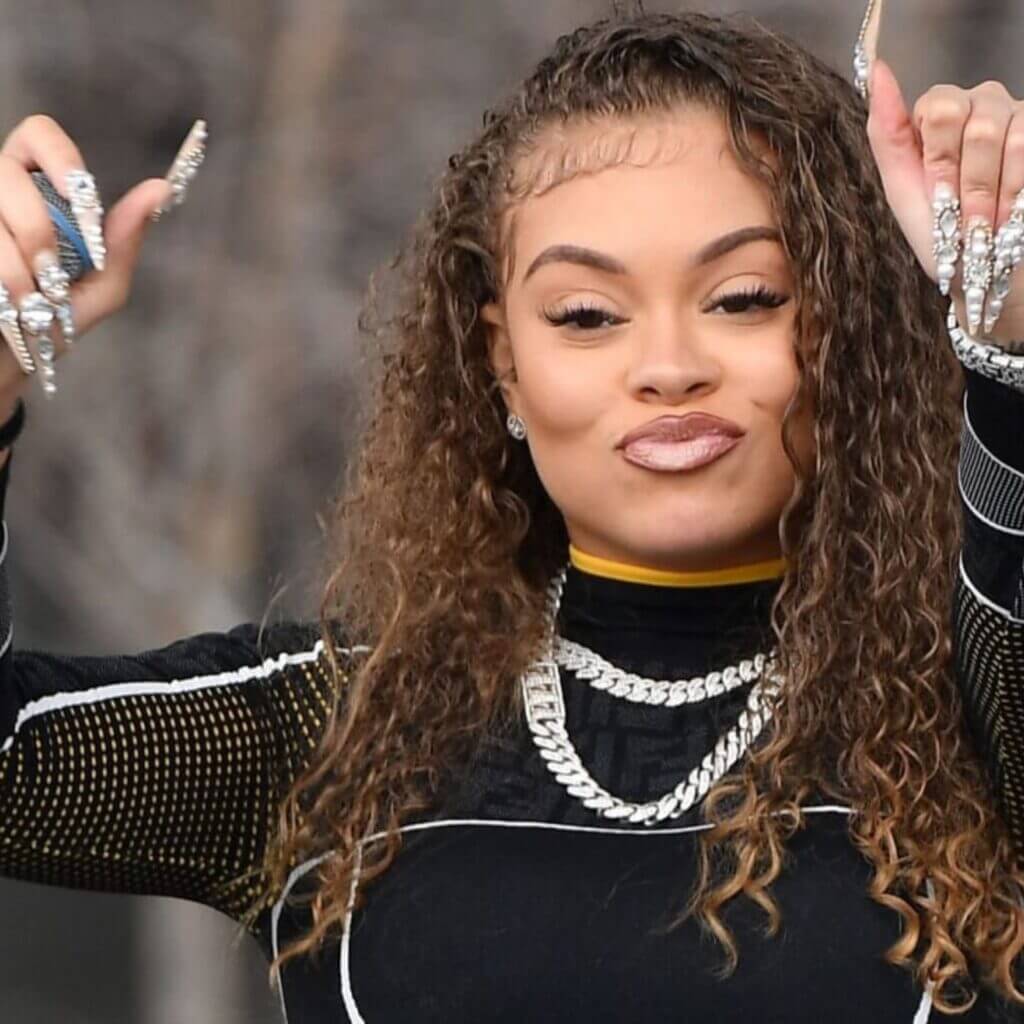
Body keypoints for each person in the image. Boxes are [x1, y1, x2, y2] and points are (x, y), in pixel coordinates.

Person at [0, 4, 1023, 1020]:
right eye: (586, 315)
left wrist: (1009, 337)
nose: (668, 367)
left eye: (744, 297)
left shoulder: (967, 727)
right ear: (504, 364)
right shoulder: (346, 735)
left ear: (844, 330)